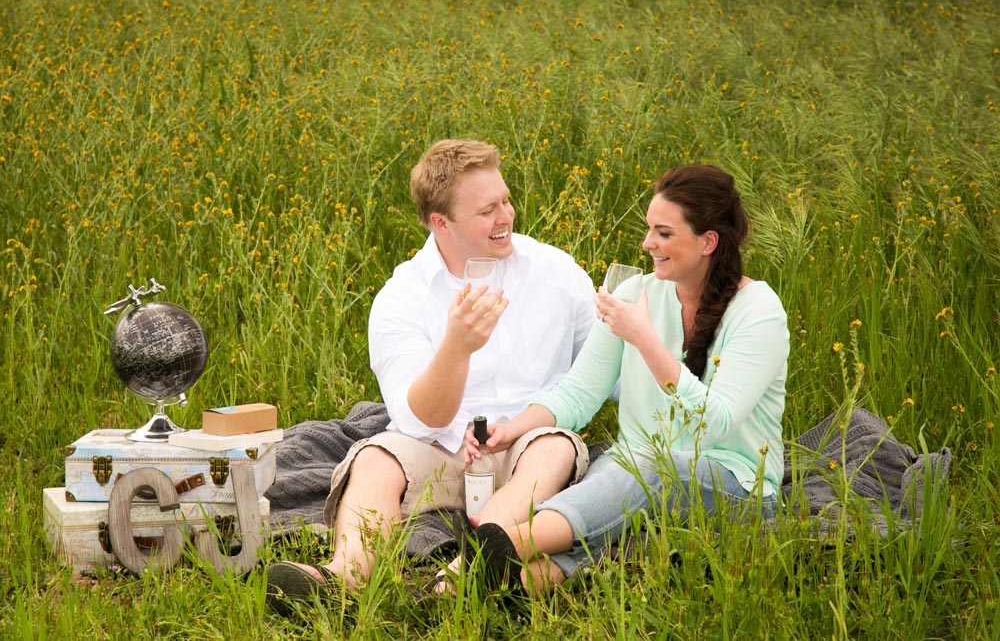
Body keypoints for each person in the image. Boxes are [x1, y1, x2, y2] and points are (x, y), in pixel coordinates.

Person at [264, 139, 596, 613]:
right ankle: (345, 579)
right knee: (376, 454)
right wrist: (455, 350)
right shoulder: (402, 296)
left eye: (505, 200)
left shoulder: (555, 272)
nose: (506, 216)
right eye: (487, 210)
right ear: (441, 223)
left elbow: (598, 376)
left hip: (527, 440)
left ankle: (470, 573)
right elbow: (419, 419)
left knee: (556, 447)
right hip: (440, 446)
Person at [456, 164, 789, 595]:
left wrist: (645, 340)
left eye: (664, 233)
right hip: (636, 467)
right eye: (649, 229)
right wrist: (510, 430)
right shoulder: (634, 295)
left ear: (708, 241)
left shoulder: (758, 310)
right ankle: (494, 589)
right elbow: (579, 393)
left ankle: (500, 549)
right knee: (614, 506)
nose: (648, 243)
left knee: (646, 470)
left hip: (735, 483)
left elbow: (717, 422)